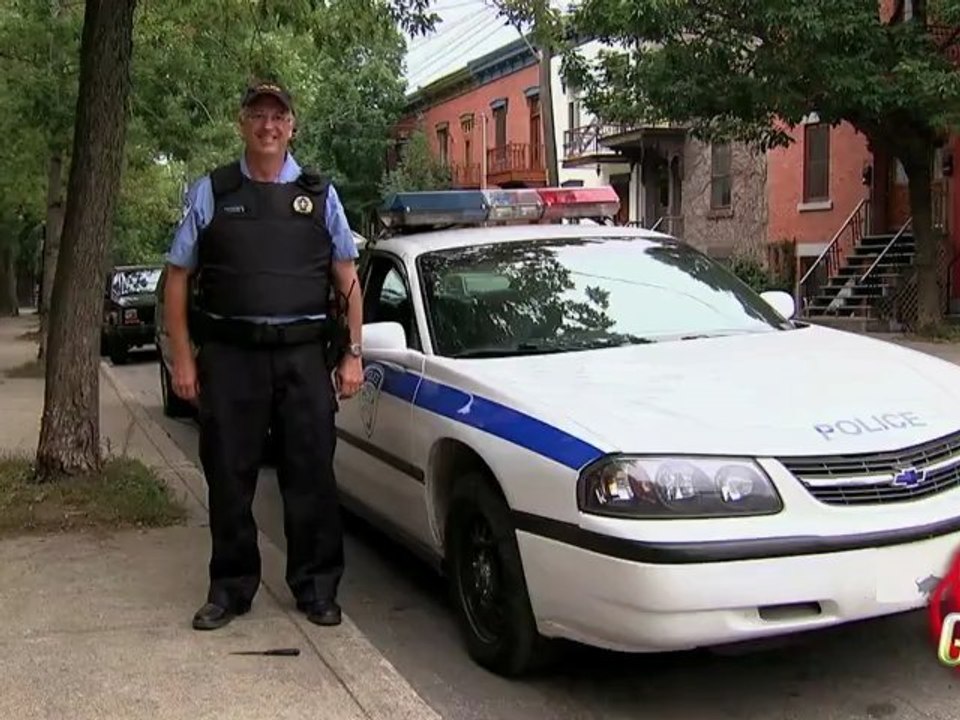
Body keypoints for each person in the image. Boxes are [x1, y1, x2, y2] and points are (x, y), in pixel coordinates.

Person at [163, 80, 364, 631]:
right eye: (257, 114)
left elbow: (347, 278)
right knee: (228, 476)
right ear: (242, 122)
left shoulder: (321, 196)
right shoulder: (213, 191)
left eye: (278, 116)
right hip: (231, 358)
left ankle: (317, 587)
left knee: (311, 478)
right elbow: (178, 278)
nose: (268, 125)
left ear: (292, 125)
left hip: (302, 358)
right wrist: (183, 356)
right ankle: (230, 588)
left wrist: (352, 354)